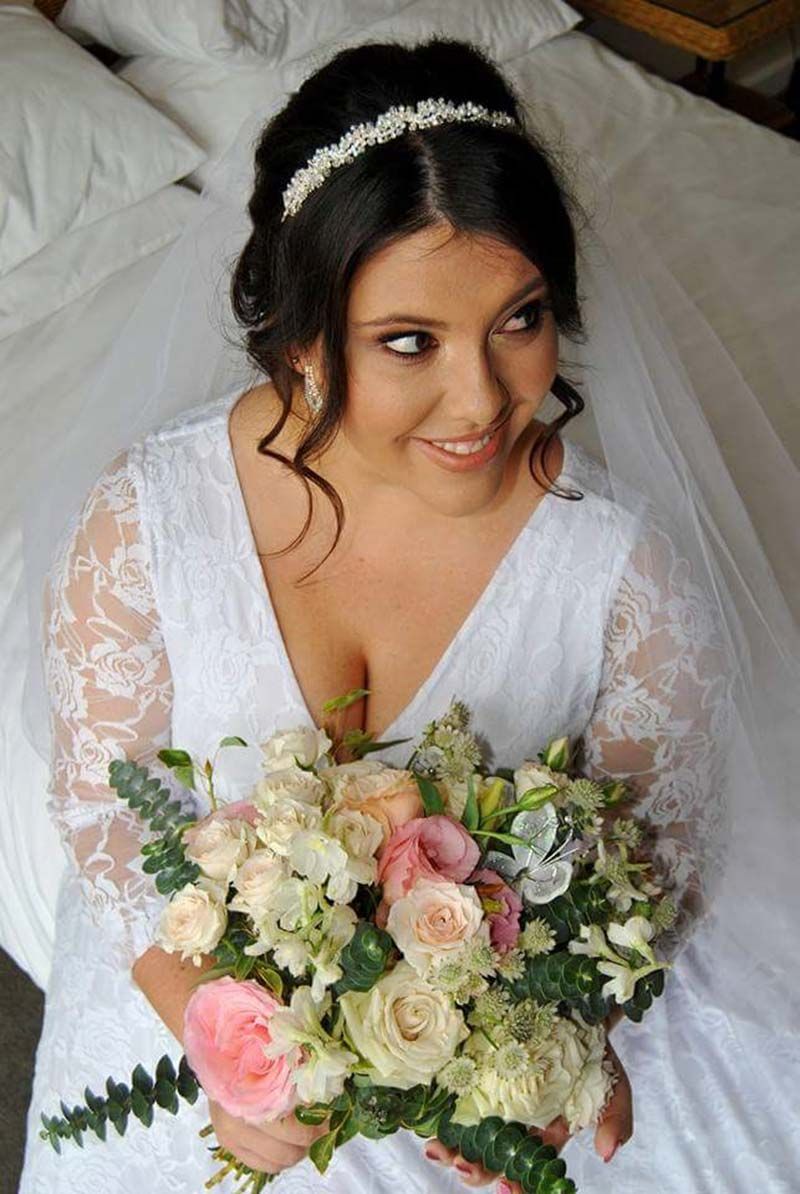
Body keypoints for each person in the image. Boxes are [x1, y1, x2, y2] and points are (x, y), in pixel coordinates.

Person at [18, 37, 800, 1194]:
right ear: (302, 337)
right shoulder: (144, 528)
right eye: (408, 342)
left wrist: (562, 1055)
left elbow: (654, 857)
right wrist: (224, 1050)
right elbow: (105, 806)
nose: (482, 397)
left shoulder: (623, 574)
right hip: (195, 1039)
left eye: (519, 319)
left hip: (480, 1088)